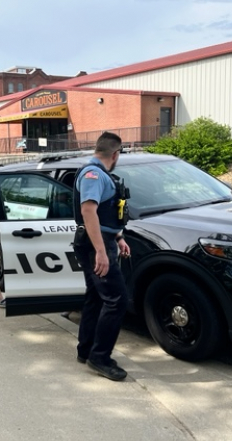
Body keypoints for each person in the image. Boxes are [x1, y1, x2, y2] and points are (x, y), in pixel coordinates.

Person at [72, 131, 131, 382]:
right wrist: (100, 251)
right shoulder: (93, 174)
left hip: (101, 241)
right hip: (94, 245)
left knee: (96, 296)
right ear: (116, 154)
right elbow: (88, 210)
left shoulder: (101, 174)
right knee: (117, 300)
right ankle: (100, 357)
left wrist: (118, 237)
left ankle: (86, 350)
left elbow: (106, 215)